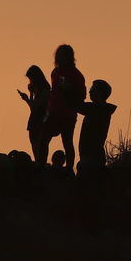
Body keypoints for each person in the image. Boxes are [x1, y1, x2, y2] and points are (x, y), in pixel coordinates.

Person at [45, 44, 87, 174]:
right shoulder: (55, 72)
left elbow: (81, 95)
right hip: (53, 112)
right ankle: (41, 165)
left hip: (67, 113)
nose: (61, 58)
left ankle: (69, 168)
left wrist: (69, 90)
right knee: (43, 139)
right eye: (59, 55)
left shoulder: (76, 74)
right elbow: (54, 92)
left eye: (64, 55)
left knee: (67, 142)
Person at [76, 79, 117, 173]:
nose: (90, 91)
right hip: (94, 156)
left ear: (100, 93)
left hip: (91, 158)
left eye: (93, 89)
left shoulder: (97, 108)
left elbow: (77, 105)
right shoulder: (102, 109)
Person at [16, 65, 51, 166]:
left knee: (39, 144)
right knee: (34, 142)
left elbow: (35, 106)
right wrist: (29, 95)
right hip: (35, 119)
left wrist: (28, 97)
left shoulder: (45, 90)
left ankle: (40, 164)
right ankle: (38, 163)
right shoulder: (39, 90)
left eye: (30, 78)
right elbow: (33, 107)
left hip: (41, 120)